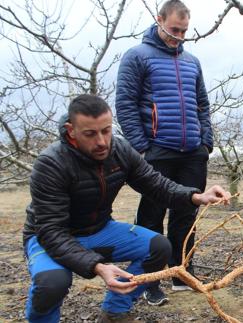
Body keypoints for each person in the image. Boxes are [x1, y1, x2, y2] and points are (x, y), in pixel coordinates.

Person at [23, 95, 230, 322]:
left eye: (106, 130)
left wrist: (197, 196)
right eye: (90, 134)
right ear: (71, 130)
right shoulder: (51, 163)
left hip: (98, 229)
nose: (102, 141)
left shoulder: (120, 151)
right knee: (53, 282)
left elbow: (157, 185)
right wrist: (98, 267)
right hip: (49, 236)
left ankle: (115, 312)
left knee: (159, 247)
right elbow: (51, 231)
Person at [115, 0, 213, 304]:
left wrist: (205, 142)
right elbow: (125, 104)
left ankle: (182, 271)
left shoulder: (192, 62)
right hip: (157, 151)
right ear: (159, 20)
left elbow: (202, 105)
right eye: (174, 30)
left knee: (187, 213)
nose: (179, 36)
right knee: (151, 217)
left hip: (192, 152)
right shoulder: (136, 57)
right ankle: (151, 280)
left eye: (184, 31)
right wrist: (142, 147)